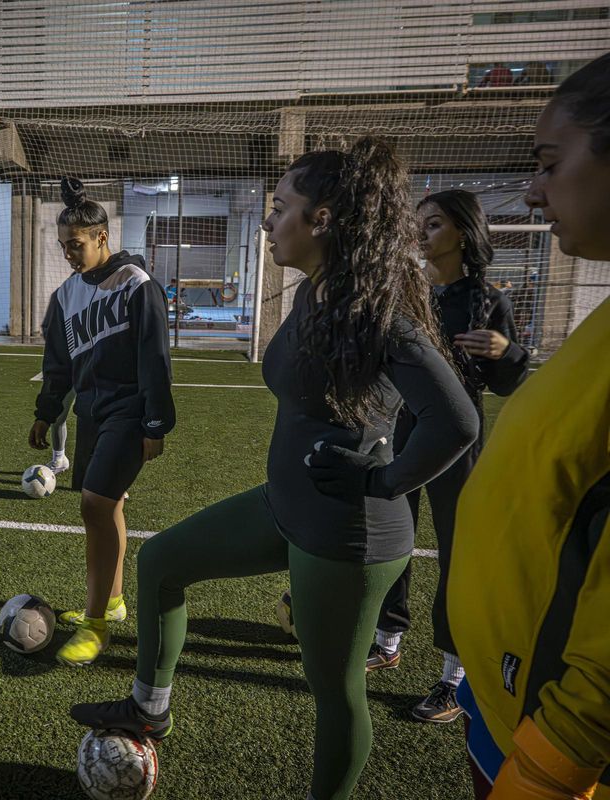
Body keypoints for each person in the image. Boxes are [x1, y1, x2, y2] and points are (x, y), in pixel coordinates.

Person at [69, 138, 478, 800]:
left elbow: (457, 420)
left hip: (345, 535)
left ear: (321, 220)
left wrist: (384, 480)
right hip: (287, 505)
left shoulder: (376, 310)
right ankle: (150, 708)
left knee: (335, 690)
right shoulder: (313, 293)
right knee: (162, 562)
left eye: (280, 206)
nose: (266, 220)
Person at [449, 51, 610, 800]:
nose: (534, 188)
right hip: (506, 700)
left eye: (549, 163)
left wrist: (552, 765)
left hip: (547, 748)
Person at [361, 190, 530, 724]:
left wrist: (510, 354)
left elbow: (507, 383)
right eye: (419, 224)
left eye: (432, 224)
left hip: (459, 440)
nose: (421, 234)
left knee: (459, 552)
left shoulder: (487, 300)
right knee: (393, 536)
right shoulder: (405, 294)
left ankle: (454, 678)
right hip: (402, 429)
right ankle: (388, 639)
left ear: (463, 232)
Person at [30, 176, 174, 667]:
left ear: (102, 238)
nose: (69, 254)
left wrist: (156, 424)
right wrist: (46, 413)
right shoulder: (67, 294)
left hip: (129, 411)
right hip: (92, 412)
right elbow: (58, 364)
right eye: (63, 246)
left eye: (77, 245)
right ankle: (111, 602)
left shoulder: (135, 283)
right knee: (104, 506)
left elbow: (155, 357)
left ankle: (95, 628)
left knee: (95, 504)